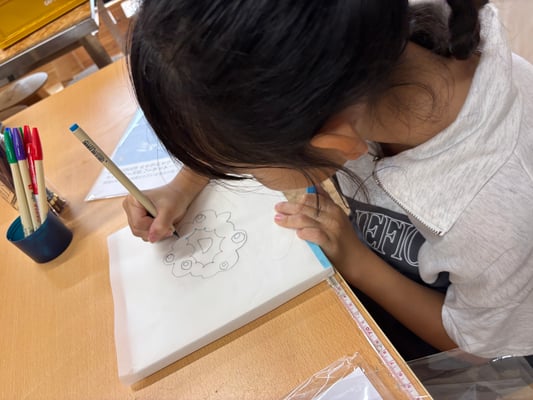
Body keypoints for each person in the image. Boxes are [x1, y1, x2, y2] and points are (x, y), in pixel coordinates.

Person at [122, 0, 533, 361]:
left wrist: (355, 260)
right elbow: (235, 102)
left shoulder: (494, 220)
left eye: (248, 167)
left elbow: (476, 347)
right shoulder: (361, 38)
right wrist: (181, 187)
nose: (248, 172)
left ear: (337, 143)